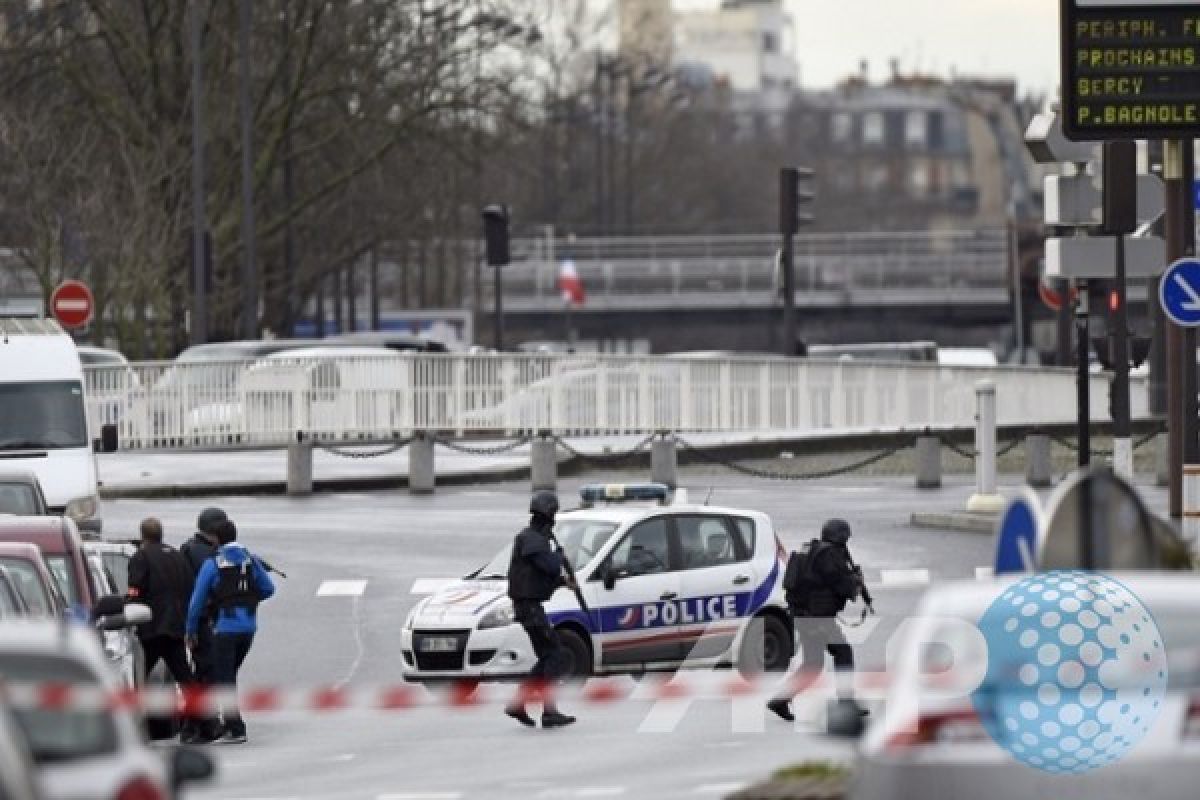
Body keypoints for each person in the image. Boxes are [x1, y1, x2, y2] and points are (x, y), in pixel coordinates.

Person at [767, 518, 868, 722]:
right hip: (818, 619)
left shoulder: (811, 550)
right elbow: (843, 586)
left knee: (813, 665)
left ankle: (780, 700)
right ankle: (846, 704)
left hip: (803, 615)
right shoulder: (829, 555)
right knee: (843, 653)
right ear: (840, 537)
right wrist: (856, 581)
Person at [185, 518, 275, 744]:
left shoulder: (213, 563)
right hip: (249, 628)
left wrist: (191, 629)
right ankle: (230, 722)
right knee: (229, 673)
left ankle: (235, 727)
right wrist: (247, 600)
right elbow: (268, 589)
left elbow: (197, 601)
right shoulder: (250, 559)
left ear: (215, 539)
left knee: (223, 678)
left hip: (225, 627)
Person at [126, 517, 207, 740]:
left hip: (152, 627)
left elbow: (135, 589)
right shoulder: (177, 556)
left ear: (143, 536)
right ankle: (203, 722)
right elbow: (190, 586)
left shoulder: (141, 556)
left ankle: (127, 724)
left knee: (137, 677)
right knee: (185, 677)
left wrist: (129, 606)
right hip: (175, 627)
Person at [504, 490, 576, 729]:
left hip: (529, 607)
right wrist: (559, 556)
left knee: (549, 656)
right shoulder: (534, 540)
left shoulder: (532, 539)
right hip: (529, 609)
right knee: (556, 654)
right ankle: (545, 710)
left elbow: (536, 577)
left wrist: (563, 582)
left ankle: (524, 704)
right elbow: (549, 566)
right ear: (549, 516)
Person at [179, 507, 226, 743]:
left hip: (194, 620)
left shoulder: (189, 548)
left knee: (203, 672)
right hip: (202, 621)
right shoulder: (205, 555)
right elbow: (207, 592)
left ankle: (202, 722)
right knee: (207, 673)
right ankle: (195, 725)